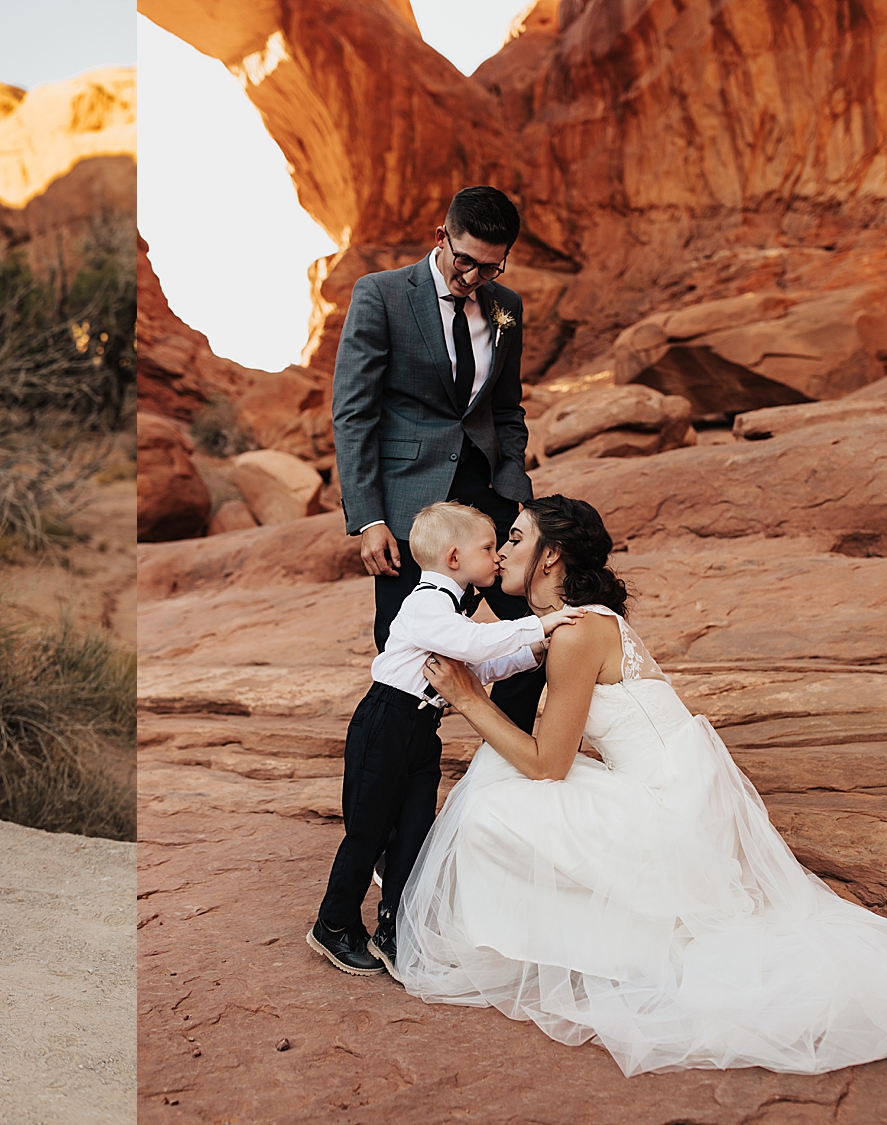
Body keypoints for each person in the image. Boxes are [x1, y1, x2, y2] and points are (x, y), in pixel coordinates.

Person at [398, 495, 887, 1075]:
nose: (502, 551)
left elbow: (548, 764)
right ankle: (597, 940)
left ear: (551, 556)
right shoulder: (580, 624)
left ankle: (602, 951)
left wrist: (468, 699)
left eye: (516, 538)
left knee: (491, 805)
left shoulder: (579, 632)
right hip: (677, 797)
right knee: (499, 777)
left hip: (670, 818)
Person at [307, 501, 584, 977]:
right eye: (489, 548)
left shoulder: (452, 614)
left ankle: (395, 926)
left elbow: (479, 668)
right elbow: (474, 645)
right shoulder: (426, 604)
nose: (498, 556)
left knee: (415, 830)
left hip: (421, 729)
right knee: (370, 830)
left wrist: (535, 651)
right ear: (454, 558)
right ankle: (333, 924)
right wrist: (537, 625)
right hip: (386, 724)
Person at [331, 185, 544, 735]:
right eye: (465, 260)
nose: (473, 278)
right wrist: (369, 519)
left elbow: (507, 408)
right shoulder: (381, 294)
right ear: (441, 237)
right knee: (407, 658)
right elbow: (354, 413)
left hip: (488, 496)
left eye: (490, 267)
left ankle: (509, 756)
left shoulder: (507, 307)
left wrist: (515, 489)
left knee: (539, 632)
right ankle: (401, 767)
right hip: (409, 504)